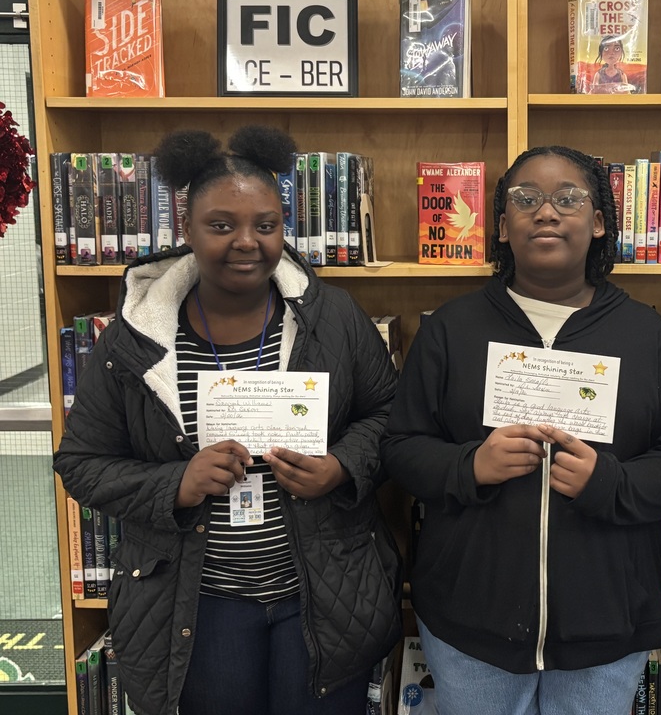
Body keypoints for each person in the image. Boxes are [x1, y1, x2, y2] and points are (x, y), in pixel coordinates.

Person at [53, 125, 402, 715]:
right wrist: (176, 484)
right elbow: (81, 464)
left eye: (266, 225)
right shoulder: (135, 341)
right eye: (222, 225)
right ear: (186, 228)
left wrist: (341, 468)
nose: (247, 241)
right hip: (199, 604)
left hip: (321, 594)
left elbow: (390, 416)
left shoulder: (334, 318)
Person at [381, 145, 661, 715]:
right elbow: (399, 449)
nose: (547, 212)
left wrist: (608, 482)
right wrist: (470, 466)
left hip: (607, 622)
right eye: (526, 199)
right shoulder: (450, 329)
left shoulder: (647, 335)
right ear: (503, 226)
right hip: (470, 623)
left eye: (568, 199)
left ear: (599, 221)